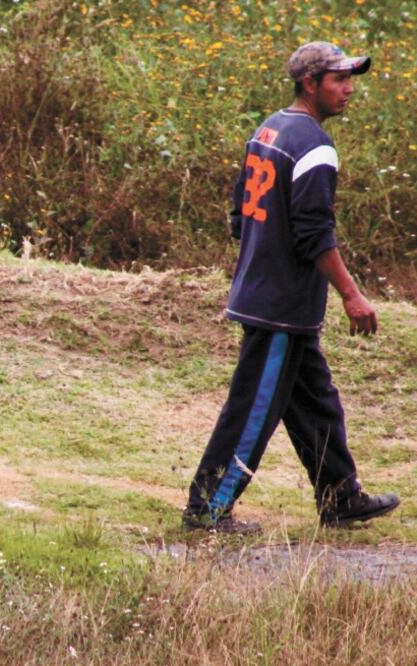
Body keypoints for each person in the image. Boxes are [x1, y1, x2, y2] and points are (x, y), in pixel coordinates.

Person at [183, 42, 400, 534]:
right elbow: (314, 235)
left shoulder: (270, 127)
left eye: (351, 79)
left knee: (315, 401)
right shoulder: (315, 146)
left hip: (272, 297)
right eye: (338, 80)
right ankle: (207, 509)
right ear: (310, 83)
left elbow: (241, 212)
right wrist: (351, 293)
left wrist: (259, 260)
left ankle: (341, 497)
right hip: (278, 306)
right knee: (253, 408)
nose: (348, 89)